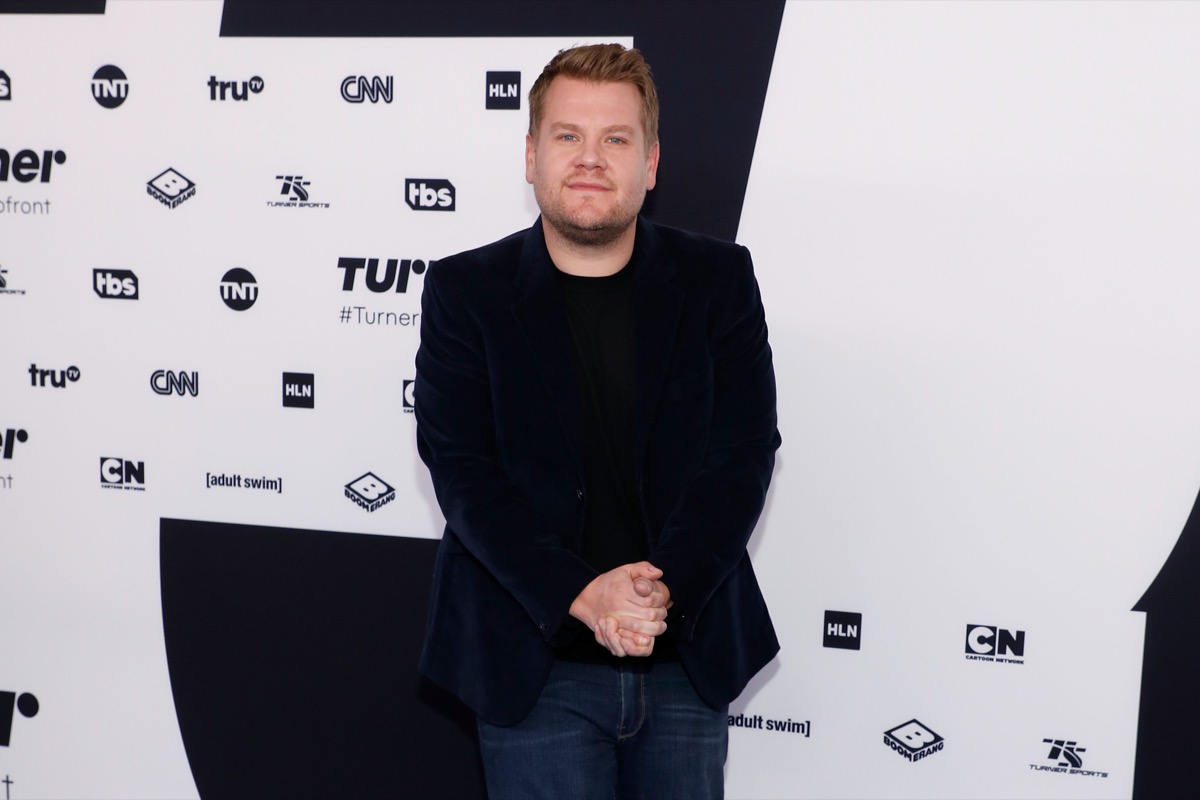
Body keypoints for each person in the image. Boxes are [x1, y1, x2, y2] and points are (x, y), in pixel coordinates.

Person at [414, 42, 780, 799]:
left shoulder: (718, 281)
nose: (590, 159)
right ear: (530, 155)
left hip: (684, 658)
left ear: (650, 162)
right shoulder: (465, 293)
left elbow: (743, 454)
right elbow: (465, 474)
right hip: (531, 667)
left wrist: (657, 597)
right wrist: (585, 596)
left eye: (615, 139)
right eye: (567, 136)